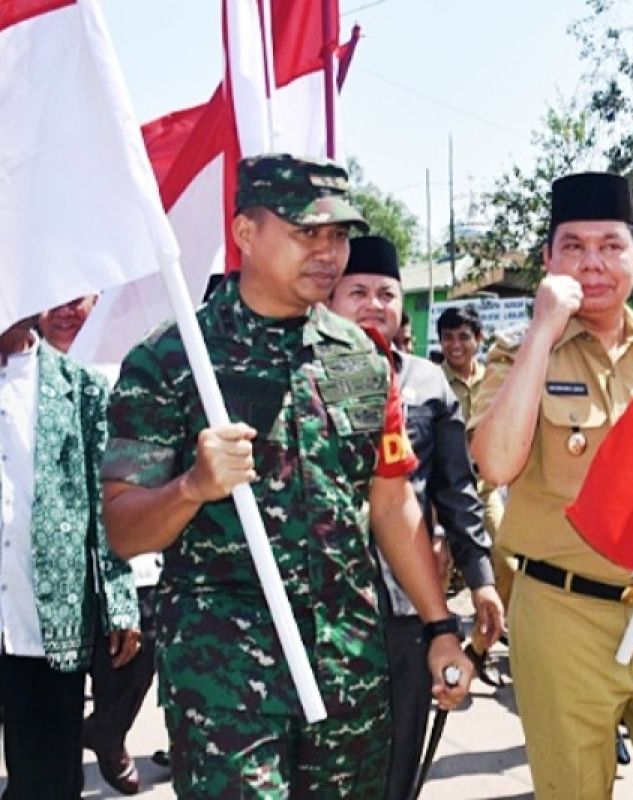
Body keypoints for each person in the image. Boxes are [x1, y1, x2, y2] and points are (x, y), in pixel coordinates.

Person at [100, 153, 471, 797]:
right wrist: (192, 486)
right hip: (228, 680)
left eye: (338, 235)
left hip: (348, 664)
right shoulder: (172, 360)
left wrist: (440, 628)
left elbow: (390, 504)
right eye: (307, 232)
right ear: (247, 233)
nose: (328, 252)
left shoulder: (360, 355)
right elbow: (125, 530)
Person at [470, 171, 633, 799]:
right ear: (548, 261)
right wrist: (542, 330)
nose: (594, 264)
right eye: (574, 247)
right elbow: (496, 464)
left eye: (611, 246)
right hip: (562, 617)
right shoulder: (518, 355)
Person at [327, 234, 503, 798]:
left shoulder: (427, 385)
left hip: (408, 608)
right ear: (327, 299)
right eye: (357, 291)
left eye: (386, 293)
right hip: (324, 612)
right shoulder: (299, 376)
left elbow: (456, 491)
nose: (374, 305)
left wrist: (480, 581)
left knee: (398, 768)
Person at [0, 314, 140, 799]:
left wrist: (120, 599)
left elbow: (108, 503)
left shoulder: (80, 388)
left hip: (48, 624)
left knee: (46, 780)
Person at [437, 304, 513, 613]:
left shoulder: (496, 379)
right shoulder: (432, 381)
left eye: (464, 337)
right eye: (448, 337)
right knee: (435, 571)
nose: (455, 345)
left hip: (483, 493)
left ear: (478, 339)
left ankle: (486, 640)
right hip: (439, 500)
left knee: (508, 564)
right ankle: (436, 638)